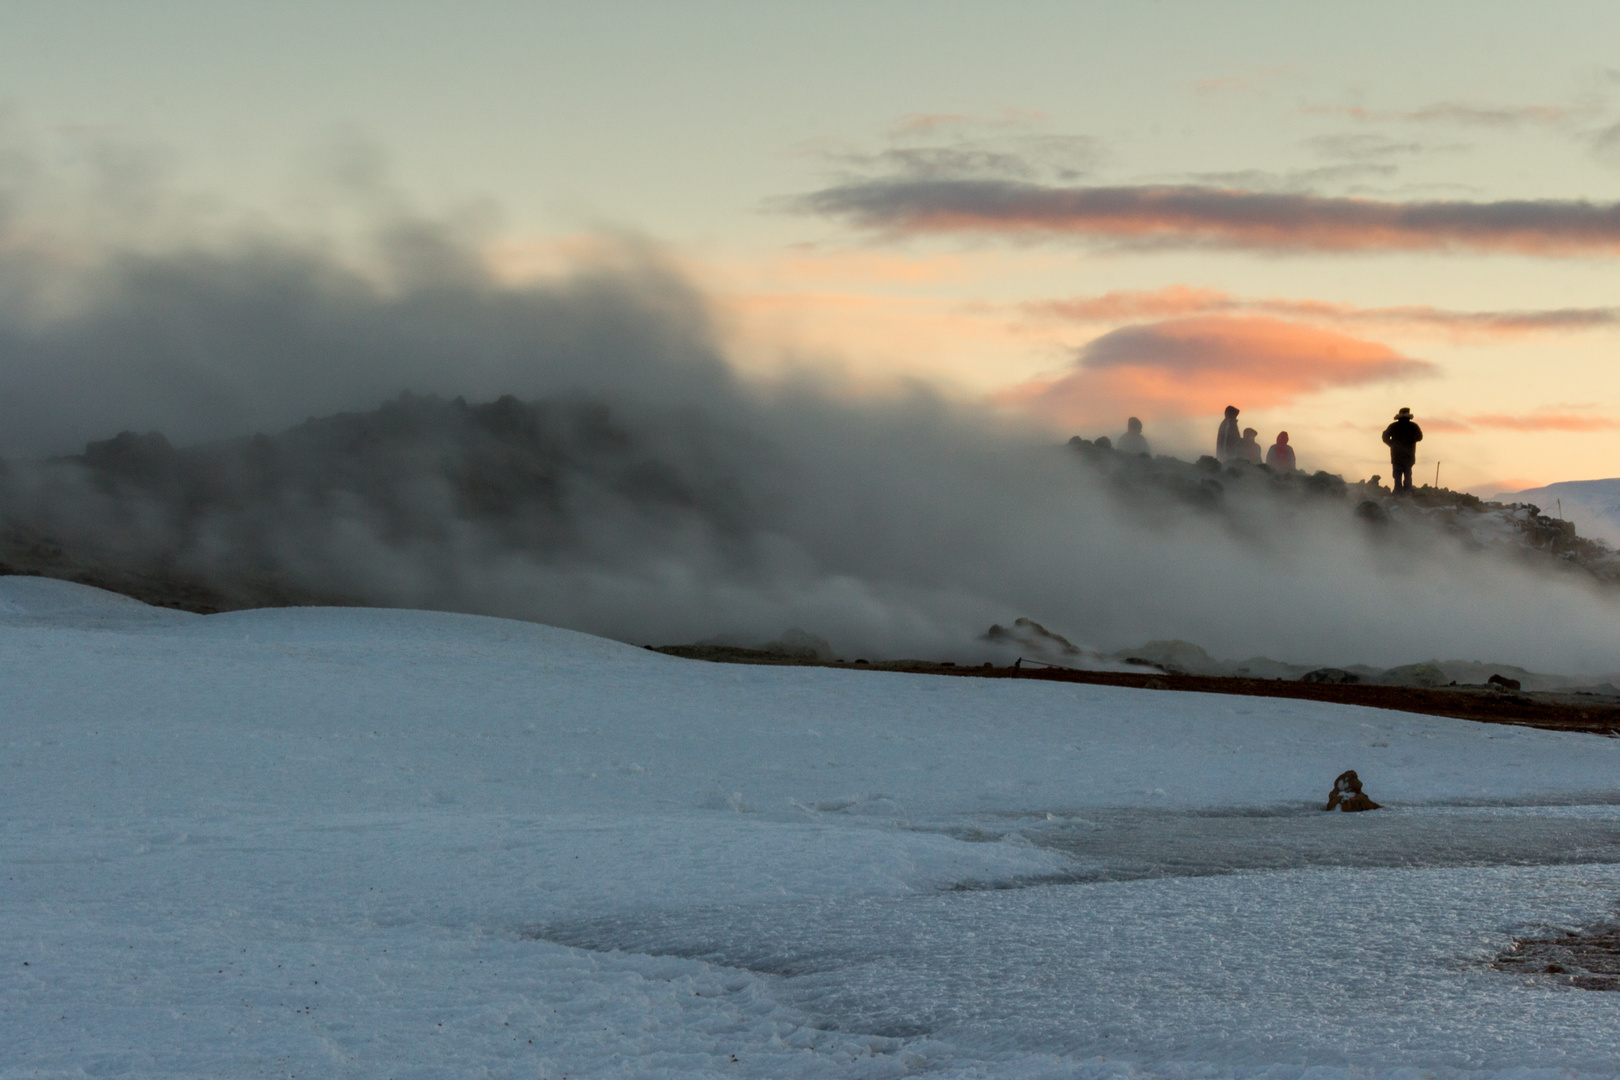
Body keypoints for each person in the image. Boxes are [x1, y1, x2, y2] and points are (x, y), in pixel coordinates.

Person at [1381, 407, 1423, 494]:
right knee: (1407, 476)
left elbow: (1385, 437)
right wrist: (1412, 439)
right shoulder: (1413, 426)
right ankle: (1406, 494)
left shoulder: (1394, 426)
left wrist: (1392, 444)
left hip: (1398, 456)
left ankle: (1399, 494)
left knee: (1398, 476)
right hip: (1407, 456)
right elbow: (1420, 437)